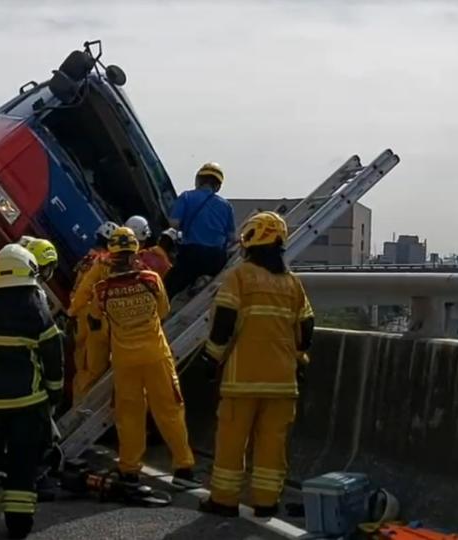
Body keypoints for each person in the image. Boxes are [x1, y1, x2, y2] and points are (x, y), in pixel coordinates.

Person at [198, 212, 314, 518]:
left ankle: (224, 500)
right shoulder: (292, 283)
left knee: (232, 442)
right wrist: (300, 358)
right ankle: (266, 502)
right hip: (283, 382)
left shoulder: (240, 277)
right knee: (272, 446)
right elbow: (307, 326)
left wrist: (211, 358)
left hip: (243, 379)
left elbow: (224, 321)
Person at [0, 244, 64, 540]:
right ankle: (19, 526)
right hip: (29, 405)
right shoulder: (37, 310)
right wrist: (54, 392)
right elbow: (53, 355)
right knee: (22, 464)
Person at [91, 227, 201, 490]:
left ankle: (129, 469)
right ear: (135, 252)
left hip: (124, 359)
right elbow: (163, 310)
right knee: (170, 410)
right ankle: (183, 468)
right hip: (155, 355)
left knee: (129, 414)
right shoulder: (151, 280)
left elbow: (96, 322)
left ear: (111, 255)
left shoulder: (102, 289)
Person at [165, 162, 236, 299]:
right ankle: (202, 281)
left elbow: (173, 224)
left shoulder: (186, 197)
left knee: (168, 288)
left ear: (199, 180)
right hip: (216, 258)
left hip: (192, 254)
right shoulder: (226, 206)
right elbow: (232, 237)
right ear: (218, 185)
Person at [67, 222, 118, 404]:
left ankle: (75, 403)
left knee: (81, 365)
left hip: (78, 314)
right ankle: (80, 410)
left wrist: (71, 312)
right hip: (90, 318)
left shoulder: (87, 257)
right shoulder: (103, 262)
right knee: (91, 370)